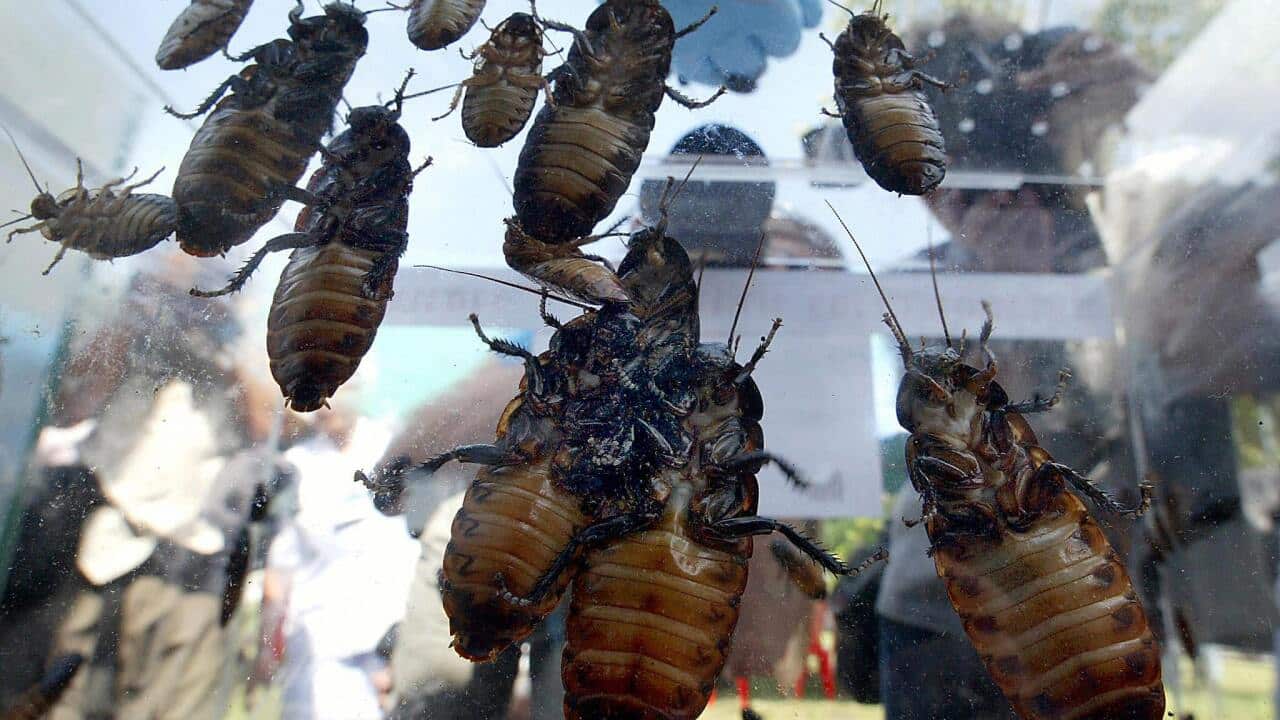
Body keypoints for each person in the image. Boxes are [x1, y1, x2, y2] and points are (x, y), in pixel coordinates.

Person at [871, 15, 1149, 720]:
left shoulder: (1108, 257)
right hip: (937, 603)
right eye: (944, 181)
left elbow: (1125, 412)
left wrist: (1131, 98)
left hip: (1096, 586)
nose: (962, 201)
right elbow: (969, 428)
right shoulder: (911, 284)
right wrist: (1011, 289)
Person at [256, 403, 418, 720]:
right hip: (321, 645)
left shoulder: (392, 443)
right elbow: (281, 562)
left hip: (392, 636)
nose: (325, 405)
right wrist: (266, 643)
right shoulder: (297, 464)